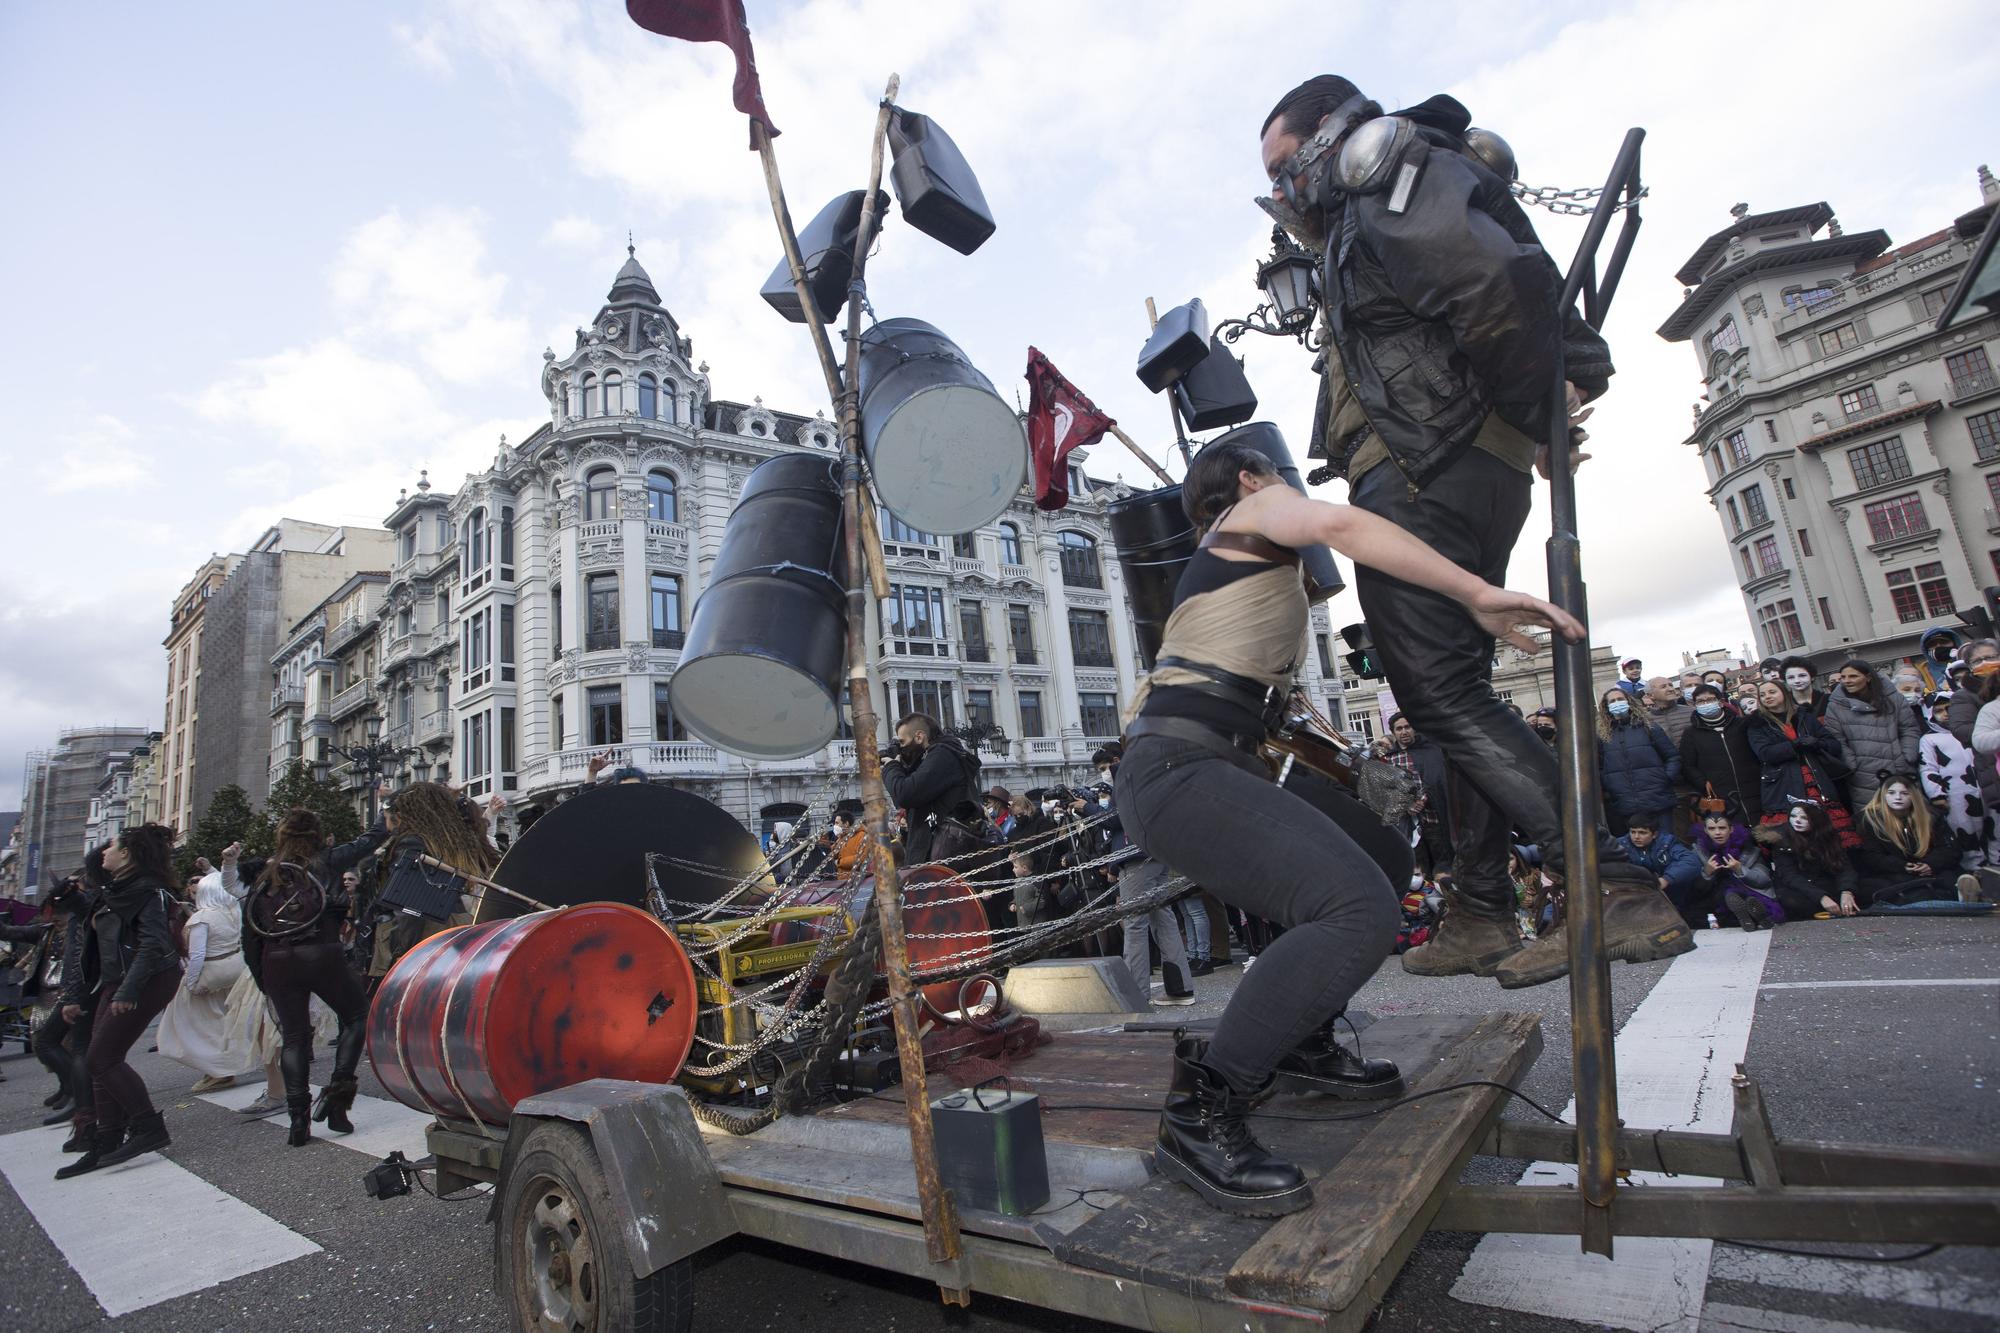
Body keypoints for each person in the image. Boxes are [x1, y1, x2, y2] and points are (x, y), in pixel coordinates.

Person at [1258, 74, 1688, 992]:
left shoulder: (1387, 172)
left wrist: (1542, 401)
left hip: (1424, 464)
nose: (1284, 188)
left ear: (1333, 134)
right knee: (1457, 694)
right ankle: (1483, 905)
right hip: (1449, 457)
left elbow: (1493, 280)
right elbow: (1513, 276)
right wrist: (1549, 393)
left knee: (1443, 689)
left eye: (1288, 165)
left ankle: (1609, 885)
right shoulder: (1382, 196)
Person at [1116, 438, 1573, 1215]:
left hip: (1215, 762)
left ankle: (1298, 1040)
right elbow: (1346, 525)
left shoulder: (1230, 559)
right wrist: (1474, 592)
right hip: (1179, 771)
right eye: (1282, 479)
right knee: (1358, 908)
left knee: (1384, 857)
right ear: (1255, 479)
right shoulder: (1253, 508)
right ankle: (1201, 1112)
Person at [240, 806, 390, 1146]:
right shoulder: (328, 860)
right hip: (323, 953)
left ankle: (298, 1121)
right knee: (355, 1017)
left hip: (277, 959)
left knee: (294, 1037)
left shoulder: (264, 875)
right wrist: (383, 808)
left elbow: (248, 932)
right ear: (317, 835)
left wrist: (261, 976)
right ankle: (337, 1099)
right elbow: (373, 839)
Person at [57, 824, 184, 1179]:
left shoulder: (148, 892)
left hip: (147, 978)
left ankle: (147, 1126)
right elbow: (93, 951)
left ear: (127, 853)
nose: (104, 852)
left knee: (101, 1058)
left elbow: (153, 944)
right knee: (101, 1060)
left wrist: (129, 990)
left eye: (111, 846)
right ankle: (107, 1139)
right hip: (118, 980)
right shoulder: (115, 890)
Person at [1098, 748, 1195, 1006]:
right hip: (1155, 854)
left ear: (1116, 762)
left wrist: (1088, 808)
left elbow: (1117, 819)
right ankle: (1180, 988)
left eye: (1104, 767)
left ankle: (1137, 994)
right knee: (1163, 920)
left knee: (1135, 924)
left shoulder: (1126, 779)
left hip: (1136, 859)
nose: (1104, 773)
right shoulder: (1145, 776)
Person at [156, 869, 254, 1094]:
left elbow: (197, 955)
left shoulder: (202, 917)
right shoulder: (232, 912)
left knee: (197, 1026)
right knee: (225, 1020)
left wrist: (191, 983)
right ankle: (226, 1065)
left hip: (210, 974)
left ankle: (217, 1069)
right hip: (235, 970)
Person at [1745, 680, 1859, 847]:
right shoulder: (1757, 723)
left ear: (1784, 693)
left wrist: (1816, 743)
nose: (1767, 697)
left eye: (1772, 692)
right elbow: (1765, 753)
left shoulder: (1804, 716)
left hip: (1816, 778)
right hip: (1782, 782)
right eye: (1762, 695)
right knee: (1793, 837)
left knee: (1827, 832)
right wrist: (1794, 745)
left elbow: (1833, 744)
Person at [32, 870, 100, 1133]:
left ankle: (86, 1108)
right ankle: (79, 1099)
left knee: (79, 1048)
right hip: (78, 988)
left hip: (80, 989)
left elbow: (78, 961)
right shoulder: (54, 928)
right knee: (56, 1043)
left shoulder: (86, 910)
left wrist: (72, 995)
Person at [1850, 775, 1979, 906]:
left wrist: (1930, 864)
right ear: (1883, 795)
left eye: (1904, 793)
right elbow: (1869, 856)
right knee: (1887, 886)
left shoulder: (1931, 817)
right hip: (1889, 872)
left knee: (1947, 876)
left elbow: (1950, 849)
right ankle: (1949, 899)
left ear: (1913, 797)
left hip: (1927, 869)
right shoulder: (1868, 820)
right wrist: (1902, 866)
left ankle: (1962, 895)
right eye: (1891, 793)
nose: (1898, 797)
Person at [880, 714, 982, 864]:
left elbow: (905, 794)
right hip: (936, 849)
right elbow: (905, 798)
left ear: (919, 736)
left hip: (942, 854)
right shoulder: (932, 756)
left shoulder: (942, 755)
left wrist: (891, 767)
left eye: (902, 742)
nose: (901, 748)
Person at [1821, 659, 1921, 811]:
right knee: (1873, 821)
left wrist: (1907, 756)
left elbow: (1909, 728)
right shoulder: (1835, 705)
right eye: (1843, 677)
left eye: (1853, 676)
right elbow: (1836, 737)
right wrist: (1852, 765)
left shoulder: (1893, 698)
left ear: (1868, 677)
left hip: (1899, 769)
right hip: (1862, 775)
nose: (1847, 681)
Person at [1597, 686, 1681, 836]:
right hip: (1625, 803)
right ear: (1606, 707)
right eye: (1613, 701)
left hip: (1657, 799)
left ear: (1629, 702)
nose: (1617, 703)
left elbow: (1672, 757)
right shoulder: (1603, 736)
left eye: (1620, 699)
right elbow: (1600, 766)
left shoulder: (1649, 727)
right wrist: (1611, 786)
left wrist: (1664, 778)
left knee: (1665, 844)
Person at [1680, 682, 1763, 824]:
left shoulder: (1741, 724)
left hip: (1754, 787)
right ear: (1694, 706)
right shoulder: (1690, 734)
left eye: (1710, 700)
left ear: (1720, 702)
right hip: (1720, 794)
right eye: (1700, 701)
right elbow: (1688, 765)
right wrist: (1704, 784)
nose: (1706, 704)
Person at [1384, 713, 1453, 881]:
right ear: (1393, 732)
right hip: (1410, 826)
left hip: (1435, 820)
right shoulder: (1389, 759)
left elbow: (1439, 780)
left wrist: (1426, 796)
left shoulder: (1432, 750)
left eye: (1407, 727)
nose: (1404, 732)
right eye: (1399, 728)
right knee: (1419, 870)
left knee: (1445, 868)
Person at [1766, 800, 1860, 920]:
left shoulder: (1828, 837)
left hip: (1826, 883)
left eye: (1804, 817)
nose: (1797, 820)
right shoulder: (1781, 839)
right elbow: (1789, 876)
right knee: (1791, 902)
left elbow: (1844, 867)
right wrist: (1821, 897)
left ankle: (1842, 905)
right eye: (1793, 816)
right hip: (1799, 888)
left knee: (1872, 887)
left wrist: (1847, 891)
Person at [1919, 694, 1984, 866]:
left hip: (1984, 787)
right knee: (1965, 829)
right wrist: (1937, 795)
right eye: (1938, 711)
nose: (1946, 714)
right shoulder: (1929, 739)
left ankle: (1996, 862)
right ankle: (1973, 868)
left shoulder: (1970, 731)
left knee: (1994, 826)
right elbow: (1928, 768)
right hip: (1955, 793)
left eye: (1949, 708)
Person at [1615, 816, 1709, 930]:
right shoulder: (1619, 845)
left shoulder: (1667, 843)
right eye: (1632, 832)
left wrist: (1666, 879)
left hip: (1669, 895)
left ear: (1654, 834)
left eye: (1642, 833)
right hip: (1633, 895)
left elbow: (1691, 862)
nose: (1636, 837)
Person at [1694, 812, 1781, 930]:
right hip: (1715, 896)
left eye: (1722, 828)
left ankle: (1757, 915)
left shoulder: (1748, 849)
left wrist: (1740, 869)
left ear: (1731, 829)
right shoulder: (1699, 851)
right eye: (1712, 829)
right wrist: (1707, 873)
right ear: (1705, 830)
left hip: (1749, 889)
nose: (1717, 833)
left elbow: (1763, 879)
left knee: (1740, 896)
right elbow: (1695, 889)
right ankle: (1752, 918)